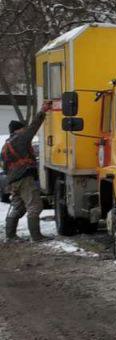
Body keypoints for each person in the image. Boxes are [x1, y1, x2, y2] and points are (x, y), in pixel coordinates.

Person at [3, 101, 51, 241]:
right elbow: (33, 127)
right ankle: (36, 236)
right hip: (24, 178)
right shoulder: (20, 139)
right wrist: (42, 111)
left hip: (14, 180)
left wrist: (10, 183)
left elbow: (6, 166)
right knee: (34, 205)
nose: (25, 130)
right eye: (22, 129)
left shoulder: (7, 143)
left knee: (18, 206)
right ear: (18, 130)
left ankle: (10, 235)